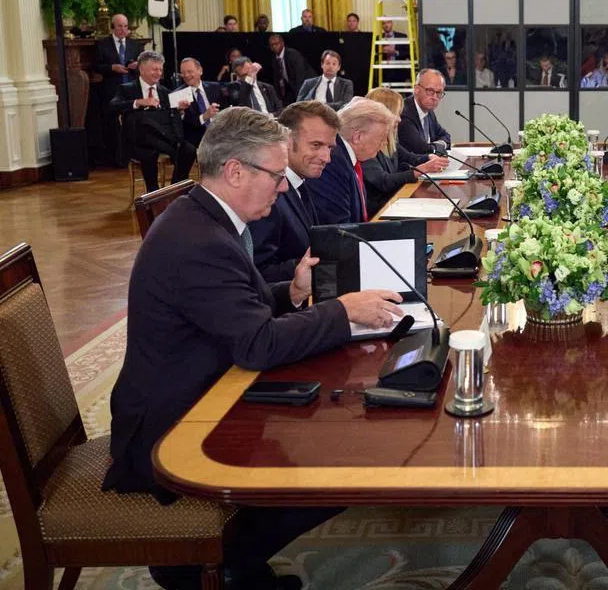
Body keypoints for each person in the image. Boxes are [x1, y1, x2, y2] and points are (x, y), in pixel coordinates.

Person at [102, 106, 404, 590]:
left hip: (206, 385)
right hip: (173, 424)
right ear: (236, 170)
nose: (284, 188)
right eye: (276, 175)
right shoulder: (200, 240)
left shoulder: (205, 219)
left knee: (335, 429)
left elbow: (236, 308)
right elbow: (258, 344)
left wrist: (294, 292)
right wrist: (342, 310)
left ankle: (237, 563)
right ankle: (209, 563)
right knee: (341, 467)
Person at [249, 101, 339, 283]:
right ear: (287, 141)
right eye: (316, 145)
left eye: (329, 148)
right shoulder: (269, 193)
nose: (326, 158)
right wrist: (321, 264)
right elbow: (258, 272)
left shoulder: (300, 181)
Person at [109, 50, 197, 193]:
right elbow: (112, 107)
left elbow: (173, 121)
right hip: (139, 141)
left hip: (164, 138)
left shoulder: (165, 92)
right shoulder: (127, 89)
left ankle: (175, 189)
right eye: (154, 69)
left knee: (189, 149)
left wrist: (179, 110)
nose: (158, 73)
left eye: (160, 69)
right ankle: (153, 192)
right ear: (142, 69)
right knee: (146, 138)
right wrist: (138, 102)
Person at [361, 88, 449, 216]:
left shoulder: (390, 139)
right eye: (396, 114)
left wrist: (430, 158)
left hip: (393, 204)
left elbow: (409, 157)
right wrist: (421, 169)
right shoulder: (366, 144)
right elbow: (384, 182)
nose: (399, 120)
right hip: (379, 212)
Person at [307, 97, 392, 224]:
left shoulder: (346, 157)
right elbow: (339, 229)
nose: (385, 143)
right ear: (357, 137)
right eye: (382, 137)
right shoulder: (332, 163)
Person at [92, 13, 145, 166]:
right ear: (113, 27)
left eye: (125, 26)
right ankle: (116, 159)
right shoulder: (103, 44)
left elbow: (144, 64)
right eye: (120, 26)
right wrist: (111, 68)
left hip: (132, 88)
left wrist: (137, 66)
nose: (123, 30)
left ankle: (134, 155)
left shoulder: (136, 45)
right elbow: (96, 66)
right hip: (112, 89)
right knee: (113, 125)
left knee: (134, 122)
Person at [398, 69, 452, 156]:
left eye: (439, 93)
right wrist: (438, 147)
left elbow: (446, 136)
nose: (434, 97)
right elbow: (421, 149)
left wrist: (435, 146)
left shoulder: (428, 111)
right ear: (416, 89)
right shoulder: (404, 114)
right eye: (430, 91)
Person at [174, 57, 225, 148]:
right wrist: (204, 116)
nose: (186, 75)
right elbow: (185, 127)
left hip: (221, 134)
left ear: (200, 71)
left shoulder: (215, 87)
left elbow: (225, 109)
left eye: (189, 71)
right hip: (198, 140)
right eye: (183, 72)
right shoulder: (178, 94)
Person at [268, 33, 313, 105]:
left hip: (307, 86)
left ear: (282, 43)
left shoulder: (293, 54)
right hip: (291, 87)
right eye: (271, 45)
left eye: (276, 44)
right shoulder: (274, 58)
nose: (274, 46)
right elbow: (277, 79)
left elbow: (300, 76)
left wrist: (299, 98)